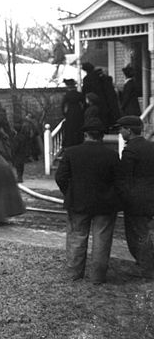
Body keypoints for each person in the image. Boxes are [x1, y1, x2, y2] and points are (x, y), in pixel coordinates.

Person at [55, 118, 121, 284]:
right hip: (105, 204)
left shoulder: (71, 152)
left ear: (85, 134)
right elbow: (119, 181)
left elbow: (61, 177)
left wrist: (70, 192)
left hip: (78, 202)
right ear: (102, 135)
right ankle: (98, 277)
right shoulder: (112, 155)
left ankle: (74, 273)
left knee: (77, 237)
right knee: (102, 239)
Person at [117, 115, 154, 279]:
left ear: (129, 131)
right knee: (147, 231)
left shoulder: (130, 150)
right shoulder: (151, 146)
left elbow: (124, 178)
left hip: (136, 200)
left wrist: (123, 198)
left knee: (137, 234)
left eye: (121, 129)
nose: (120, 132)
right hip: (151, 195)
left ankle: (145, 267)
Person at [61, 79, 85, 148]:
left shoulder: (67, 95)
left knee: (70, 129)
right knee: (78, 128)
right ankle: (78, 141)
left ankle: (70, 143)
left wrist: (65, 114)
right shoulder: (79, 94)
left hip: (70, 112)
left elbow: (63, 105)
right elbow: (84, 103)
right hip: (78, 111)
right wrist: (82, 111)